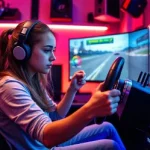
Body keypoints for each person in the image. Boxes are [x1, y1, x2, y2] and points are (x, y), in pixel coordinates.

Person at [0, 20, 126, 150]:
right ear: (22, 52)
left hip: (46, 144)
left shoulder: (33, 81)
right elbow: (47, 136)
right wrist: (91, 108)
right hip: (44, 146)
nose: (53, 57)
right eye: (47, 50)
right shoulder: (9, 87)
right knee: (110, 146)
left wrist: (72, 90)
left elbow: (55, 117)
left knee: (107, 127)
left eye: (53, 50)